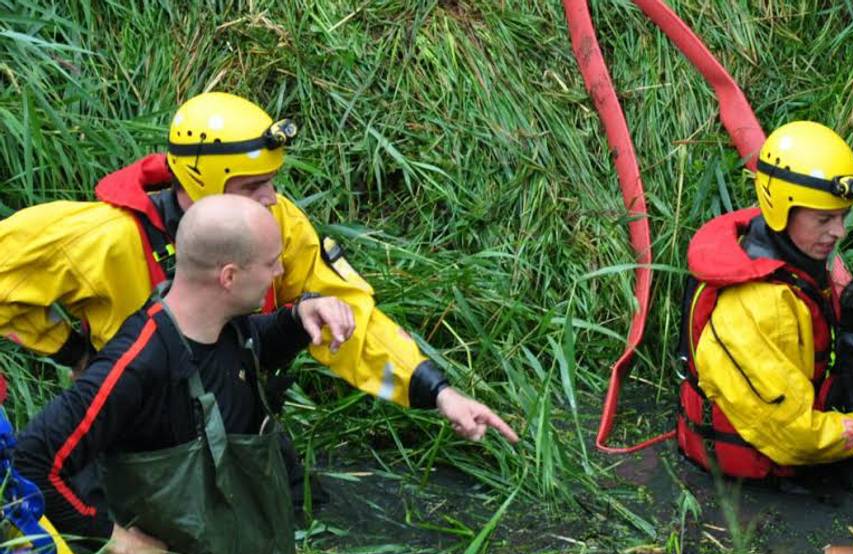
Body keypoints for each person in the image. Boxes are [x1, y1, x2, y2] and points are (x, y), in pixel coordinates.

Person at [0, 91, 516, 444]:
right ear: (202, 179)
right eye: (253, 187)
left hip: (243, 424)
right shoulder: (104, 237)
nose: (272, 199)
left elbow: (348, 322)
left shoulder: (278, 223)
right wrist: (73, 350)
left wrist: (437, 391)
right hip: (136, 441)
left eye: (272, 180)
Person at [14, 195, 356, 554]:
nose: (280, 273)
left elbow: (250, 344)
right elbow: (33, 462)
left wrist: (299, 315)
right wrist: (113, 539)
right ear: (229, 276)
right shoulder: (136, 365)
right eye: (271, 263)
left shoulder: (227, 326)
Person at [677, 121, 853, 480]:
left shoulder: (794, 262)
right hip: (760, 472)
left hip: (796, 426)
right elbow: (794, 437)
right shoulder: (755, 308)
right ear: (781, 211)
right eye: (824, 219)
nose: (839, 232)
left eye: (842, 216)